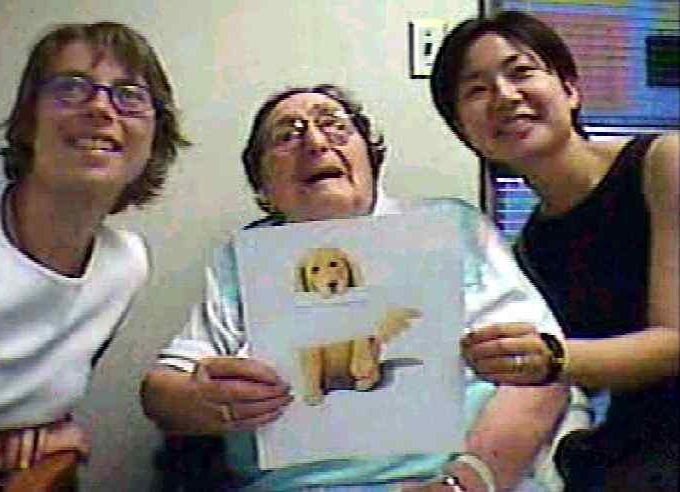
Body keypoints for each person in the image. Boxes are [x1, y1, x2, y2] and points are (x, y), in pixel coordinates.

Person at [141, 84, 585, 492]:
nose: (316, 143)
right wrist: (203, 400)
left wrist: (465, 483)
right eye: (287, 136)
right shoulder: (242, 259)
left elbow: (542, 375)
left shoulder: (451, 229)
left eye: (334, 125)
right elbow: (160, 393)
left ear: (370, 158)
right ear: (263, 186)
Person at [0, 21, 189, 489]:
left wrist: (42, 432)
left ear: (155, 140)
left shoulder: (125, 265)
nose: (100, 107)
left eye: (129, 96)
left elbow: (44, 401)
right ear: (28, 121)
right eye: (71, 88)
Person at [430, 11, 678, 491]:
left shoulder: (663, 164)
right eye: (477, 90)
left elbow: (674, 340)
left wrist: (552, 358)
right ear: (465, 132)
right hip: (634, 442)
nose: (505, 96)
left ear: (569, 89)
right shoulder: (528, 251)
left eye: (521, 72)